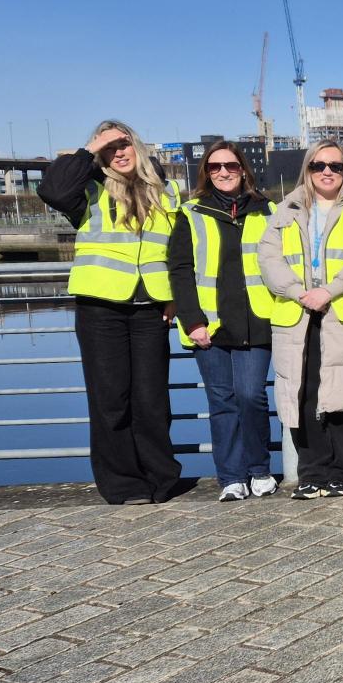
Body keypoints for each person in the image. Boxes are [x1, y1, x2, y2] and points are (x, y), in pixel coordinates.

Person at [37, 120, 183, 504]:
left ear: (138, 146)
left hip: (152, 307)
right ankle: (124, 484)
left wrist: (176, 298)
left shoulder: (167, 192)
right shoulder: (87, 191)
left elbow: (179, 252)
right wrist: (89, 147)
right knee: (110, 398)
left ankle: (160, 477)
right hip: (101, 309)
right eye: (109, 148)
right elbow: (51, 189)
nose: (118, 152)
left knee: (151, 399)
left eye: (124, 144)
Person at [258, 140, 343, 498]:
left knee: (342, 398)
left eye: (335, 166)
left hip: (342, 313)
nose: (327, 171)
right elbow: (268, 259)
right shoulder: (285, 210)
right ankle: (311, 472)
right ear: (308, 169)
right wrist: (298, 291)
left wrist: (330, 290)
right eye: (318, 165)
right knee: (304, 396)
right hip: (298, 314)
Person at [166, 140, 276, 502]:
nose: (223, 172)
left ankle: (259, 468)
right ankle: (231, 476)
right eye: (214, 167)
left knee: (250, 396)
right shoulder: (192, 212)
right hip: (209, 323)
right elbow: (180, 270)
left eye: (230, 165)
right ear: (206, 173)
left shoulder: (268, 210)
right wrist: (192, 320)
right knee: (221, 400)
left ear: (243, 168)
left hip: (257, 319)